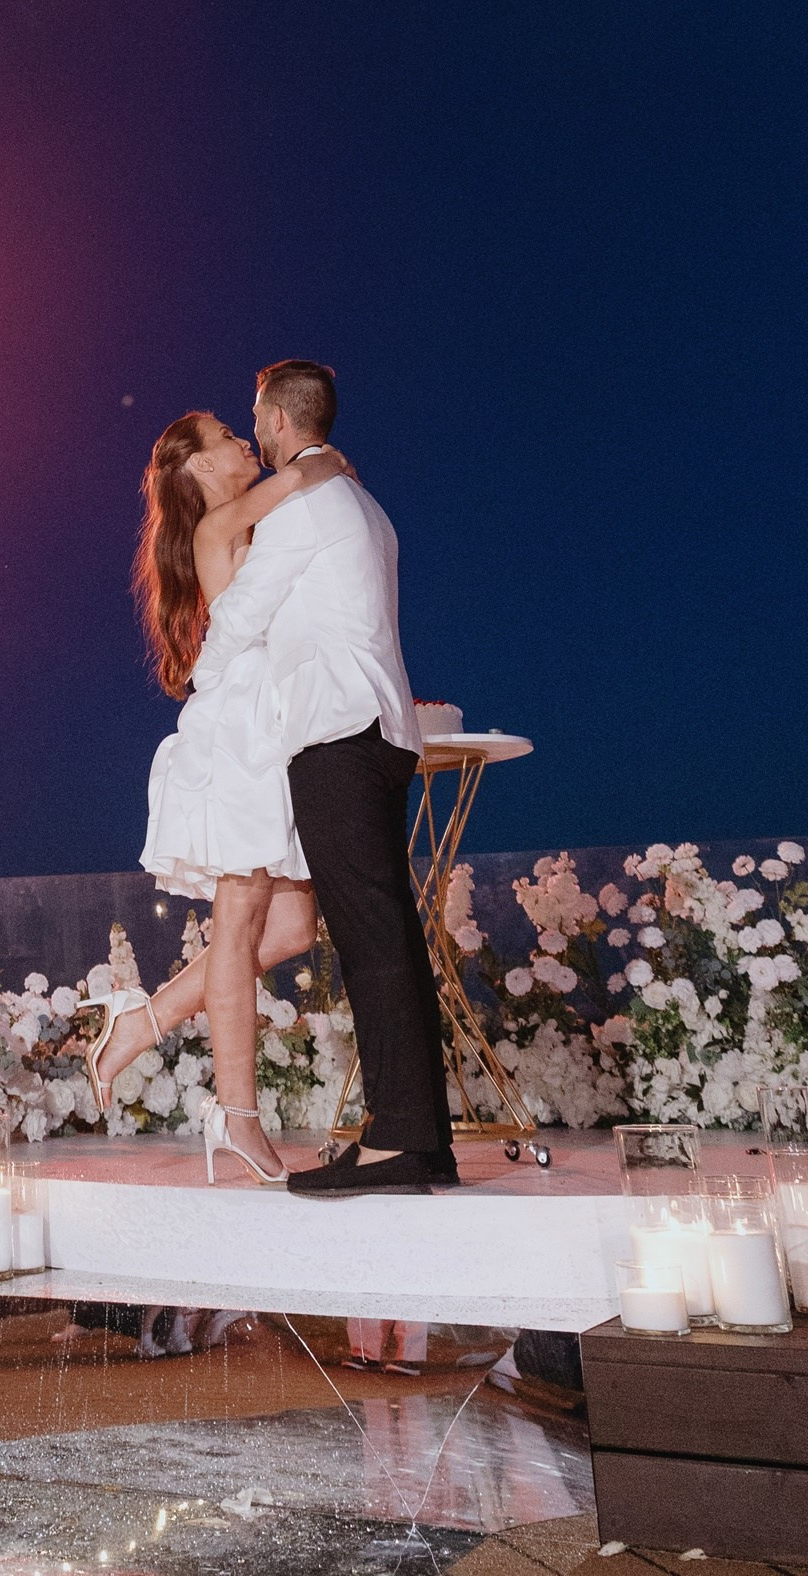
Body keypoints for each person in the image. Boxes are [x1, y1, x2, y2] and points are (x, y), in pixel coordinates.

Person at [82, 411, 345, 1183]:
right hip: (241, 737)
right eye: (227, 437)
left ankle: (146, 1018)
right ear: (197, 469)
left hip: (272, 728)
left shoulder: (240, 522)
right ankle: (239, 1118)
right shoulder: (225, 521)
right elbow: (310, 471)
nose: (242, 444)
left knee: (293, 923)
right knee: (237, 927)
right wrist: (317, 455)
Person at [239, 357, 455, 1197]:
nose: (255, 430)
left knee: (370, 941)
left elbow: (248, 610)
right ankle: (425, 1139)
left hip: (335, 733)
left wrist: (204, 677)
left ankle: (396, 1139)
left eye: (257, 417)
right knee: (391, 934)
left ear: (278, 419)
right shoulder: (365, 504)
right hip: (381, 730)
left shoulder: (303, 502)